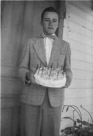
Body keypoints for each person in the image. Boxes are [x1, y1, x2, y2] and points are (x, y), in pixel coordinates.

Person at [19, 7, 72, 136]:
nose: (51, 23)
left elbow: (68, 69)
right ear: (41, 22)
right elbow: (22, 68)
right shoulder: (31, 43)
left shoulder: (65, 45)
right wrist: (27, 75)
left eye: (54, 20)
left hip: (55, 99)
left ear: (58, 23)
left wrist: (68, 78)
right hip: (31, 97)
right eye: (47, 20)